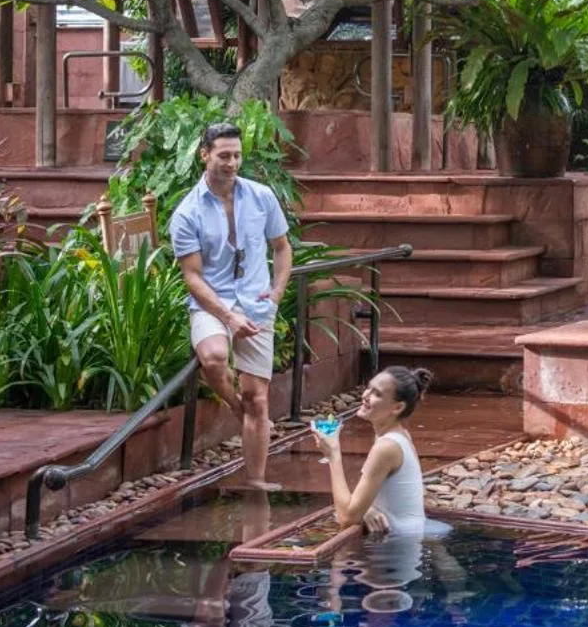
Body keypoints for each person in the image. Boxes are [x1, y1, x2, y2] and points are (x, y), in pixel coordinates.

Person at [171, 121, 292, 490]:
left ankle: (255, 480)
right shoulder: (186, 213)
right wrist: (227, 316)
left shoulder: (261, 196)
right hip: (213, 302)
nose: (232, 163)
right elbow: (192, 277)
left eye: (237, 155)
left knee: (258, 396)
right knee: (213, 357)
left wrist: (275, 294)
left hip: (256, 304)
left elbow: (283, 248)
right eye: (224, 155)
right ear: (204, 155)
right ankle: (235, 407)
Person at [313, 365, 448, 537]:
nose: (366, 396)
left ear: (397, 408)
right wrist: (366, 508)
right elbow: (361, 506)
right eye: (368, 388)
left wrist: (333, 455)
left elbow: (346, 518)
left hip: (398, 545)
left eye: (377, 394)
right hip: (407, 537)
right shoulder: (399, 435)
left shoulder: (387, 447)